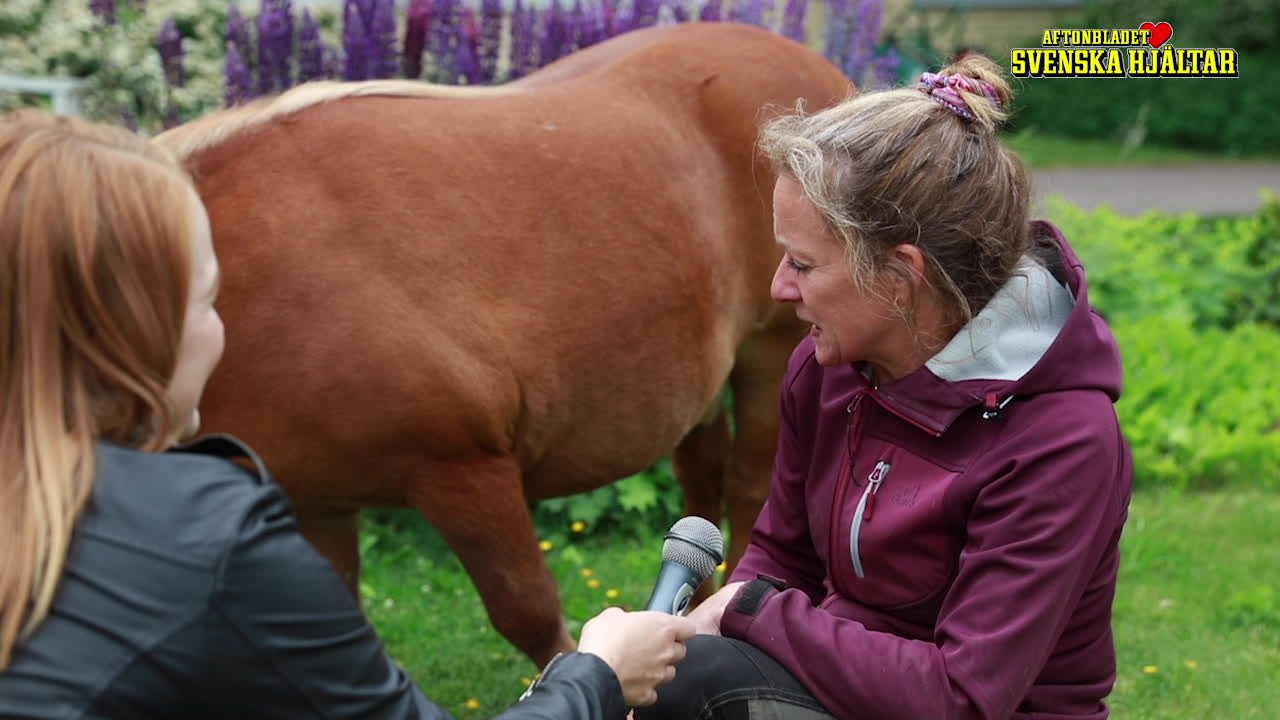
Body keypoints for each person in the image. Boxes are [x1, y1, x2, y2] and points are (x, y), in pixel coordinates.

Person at [0, 109, 694, 719]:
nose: (223, 331)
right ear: (128, 333)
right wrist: (598, 675)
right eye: (208, 300)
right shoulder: (206, 536)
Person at [638, 55, 1133, 720]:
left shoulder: (1063, 441)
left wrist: (747, 612)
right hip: (853, 688)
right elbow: (782, 554)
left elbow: (963, 697)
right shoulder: (826, 371)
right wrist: (698, 637)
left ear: (900, 276)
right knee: (655, 677)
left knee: (687, 685)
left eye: (804, 263)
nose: (780, 287)